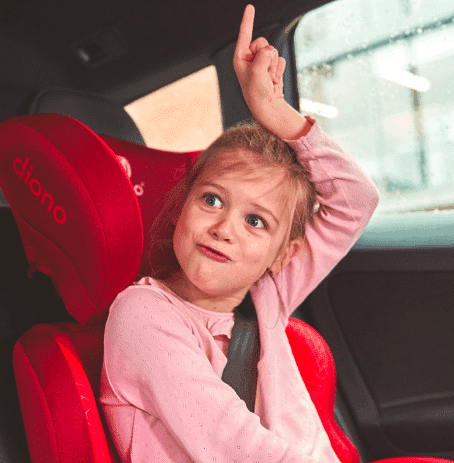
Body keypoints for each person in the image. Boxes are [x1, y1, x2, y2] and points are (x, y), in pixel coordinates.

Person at [99, 4, 380, 462]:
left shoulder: (265, 294)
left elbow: (355, 200)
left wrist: (275, 111)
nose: (223, 228)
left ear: (281, 255)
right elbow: (237, 448)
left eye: (256, 221)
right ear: (178, 213)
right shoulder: (143, 315)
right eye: (211, 200)